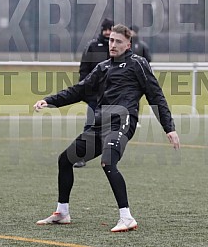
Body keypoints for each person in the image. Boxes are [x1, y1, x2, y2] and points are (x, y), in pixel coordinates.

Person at [33, 24, 180, 233]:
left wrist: (169, 127)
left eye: (118, 41)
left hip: (122, 121)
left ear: (128, 44)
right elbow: (79, 90)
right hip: (99, 124)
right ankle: (62, 212)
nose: (113, 44)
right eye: (111, 40)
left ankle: (126, 217)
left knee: (108, 161)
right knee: (65, 160)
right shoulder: (103, 67)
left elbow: (156, 95)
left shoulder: (138, 64)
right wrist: (49, 101)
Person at [74, 18, 114, 168]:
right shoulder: (92, 46)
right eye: (105, 29)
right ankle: (81, 156)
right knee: (90, 125)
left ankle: (109, 156)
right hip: (95, 97)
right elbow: (84, 71)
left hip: (113, 96)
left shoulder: (117, 47)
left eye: (110, 29)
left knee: (113, 127)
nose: (108, 32)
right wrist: (85, 91)